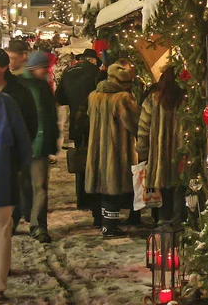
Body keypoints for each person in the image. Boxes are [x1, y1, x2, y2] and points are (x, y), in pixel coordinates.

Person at [85, 60, 140, 238]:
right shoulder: (122, 98)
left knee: (103, 185)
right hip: (117, 149)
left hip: (97, 148)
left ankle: (103, 221)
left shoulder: (93, 95)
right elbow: (134, 123)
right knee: (113, 186)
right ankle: (110, 226)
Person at [0, 91, 32, 303]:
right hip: (0, 178)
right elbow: (23, 143)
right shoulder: (5, 102)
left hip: (2, 176)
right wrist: (15, 169)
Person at [0, 49, 38, 232]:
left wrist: (22, 149)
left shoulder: (18, 91)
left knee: (14, 189)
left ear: (3, 67)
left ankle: (13, 220)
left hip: (10, 154)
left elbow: (30, 121)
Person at [54, 48, 104, 223]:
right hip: (94, 124)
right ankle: (97, 207)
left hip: (77, 124)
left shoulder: (68, 72)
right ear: (92, 60)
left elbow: (60, 98)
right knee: (96, 165)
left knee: (81, 163)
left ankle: (83, 199)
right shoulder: (97, 73)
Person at [136, 66, 186, 229]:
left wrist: (142, 152)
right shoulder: (185, 100)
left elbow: (143, 129)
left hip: (159, 157)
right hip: (181, 157)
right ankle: (178, 225)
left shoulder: (152, 99)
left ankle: (163, 225)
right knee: (179, 189)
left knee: (163, 190)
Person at [19, 52, 59, 243]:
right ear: (35, 67)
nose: (48, 71)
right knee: (20, 185)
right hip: (21, 144)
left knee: (40, 187)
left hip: (40, 145)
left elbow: (50, 115)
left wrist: (53, 138)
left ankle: (38, 225)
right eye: (46, 68)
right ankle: (14, 220)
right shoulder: (19, 84)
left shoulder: (44, 86)